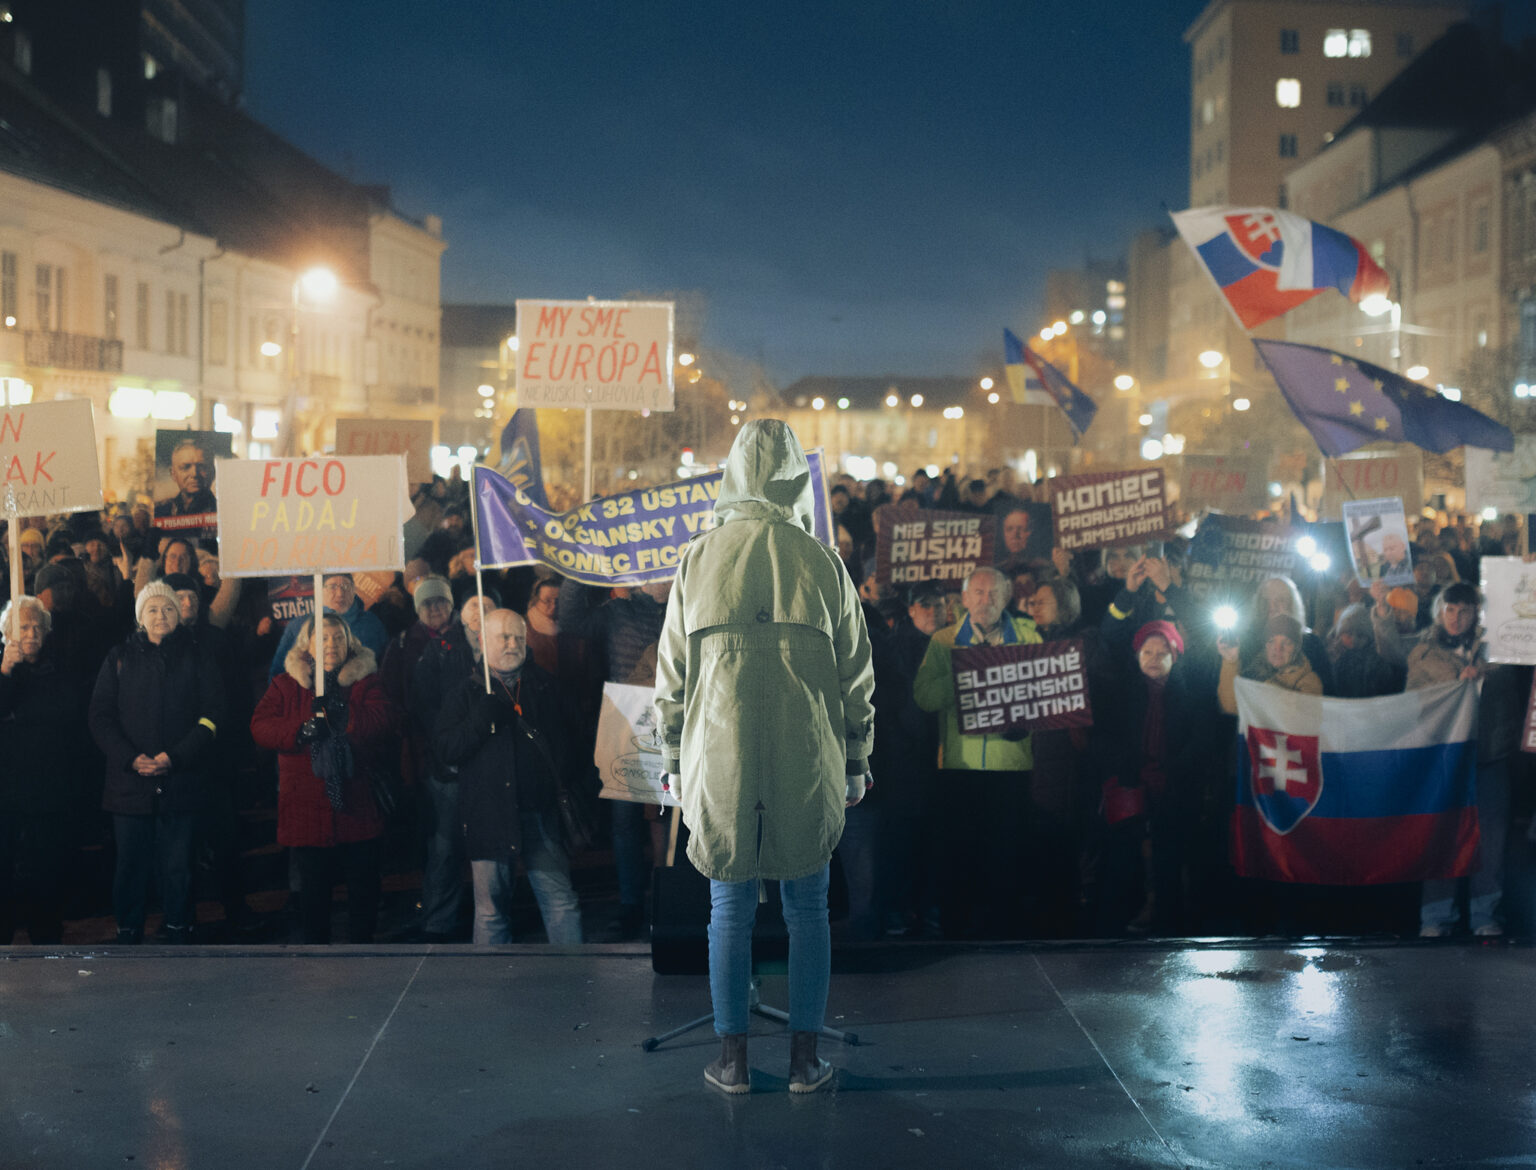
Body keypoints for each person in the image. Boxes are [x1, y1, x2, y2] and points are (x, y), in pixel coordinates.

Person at [655, 419, 875, 1096]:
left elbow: (673, 675)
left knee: (730, 908)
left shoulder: (698, 558)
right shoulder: (822, 561)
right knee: (807, 908)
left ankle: (734, 1062)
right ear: (793, 479)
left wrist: (669, 754)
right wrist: (856, 758)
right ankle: (806, 1061)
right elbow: (855, 675)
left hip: (719, 756)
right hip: (805, 756)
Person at [1376, 582, 1522, 937]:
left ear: (1476, 614)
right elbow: (1413, 700)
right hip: (1441, 758)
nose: (1456, 619)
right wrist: (1454, 683)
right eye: (1450, 610)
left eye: (1465, 611)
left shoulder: (1500, 650)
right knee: (1439, 833)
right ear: (1440, 611)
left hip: (1489, 756)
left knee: (1490, 838)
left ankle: (1485, 914)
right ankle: (1436, 915)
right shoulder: (1423, 653)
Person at [434, 609, 584, 944]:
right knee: (490, 911)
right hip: (488, 815)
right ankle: (490, 990)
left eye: (518, 636)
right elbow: (445, 751)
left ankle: (577, 978)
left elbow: (573, 744)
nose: (512, 643)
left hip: (540, 814)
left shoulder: (547, 687)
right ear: (483, 641)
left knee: (561, 903)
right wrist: (478, 721)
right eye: (503, 636)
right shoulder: (465, 693)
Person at [89, 581, 223, 944]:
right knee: (129, 868)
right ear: (139, 617)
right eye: (152, 609)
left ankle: (179, 932)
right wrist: (131, 759)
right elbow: (100, 718)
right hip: (129, 787)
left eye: (168, 609)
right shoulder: (118, 657)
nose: (160, 615)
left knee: (178, 868)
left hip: (181, 782)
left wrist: (176, 757)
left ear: (179, 616)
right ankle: (128, 933)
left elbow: (211, 716)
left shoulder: (198, 656)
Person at [913, 564, 1041, 939]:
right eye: (979, 593)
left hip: (1011, 765)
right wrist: (965, 677)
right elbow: (923, 697)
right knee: (960, 853)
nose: (986, 601)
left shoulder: (1030, 636)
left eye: (993, 594)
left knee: (1007, 855)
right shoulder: (943, 642)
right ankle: (958, 933)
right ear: (964, 599)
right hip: (960, 766)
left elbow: (1048, 694)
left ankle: (1005, 933)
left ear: (1006, 598)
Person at [250, 614, 392, 944]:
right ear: (308, 645)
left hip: (356, 807)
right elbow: (260, 726)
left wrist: (347, 716)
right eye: (323, 638)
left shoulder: (366, 682)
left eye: (338, 638)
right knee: (314, 901)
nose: (331, 645)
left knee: (363, 896)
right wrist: (298, 731)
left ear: (349, 643)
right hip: (306, 810)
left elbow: (382, 721)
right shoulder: (286, 685)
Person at [0, 597, 87, 943]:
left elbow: (68, 720)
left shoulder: (61, 672)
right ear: (7, 633)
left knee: (48, 879)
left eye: (37, 626)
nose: (31, 632)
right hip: (5, 797)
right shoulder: (4, 670)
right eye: (23, 627)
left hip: (49, 794)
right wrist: (6, 672)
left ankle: (46, 946)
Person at [266, 573, 388, 678]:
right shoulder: (298, 625)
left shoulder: (371, 623)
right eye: (332, 586)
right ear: (320, 590)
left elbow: (388, 667)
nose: (340, 593)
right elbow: (277, 674)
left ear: (353, 590)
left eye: (345, 586)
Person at [154, 438, 217, 518]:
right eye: (185, 467)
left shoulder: (223, 511)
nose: (194, 474)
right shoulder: (160, 511)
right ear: (173, 474)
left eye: (202, 467)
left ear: (213, 472)